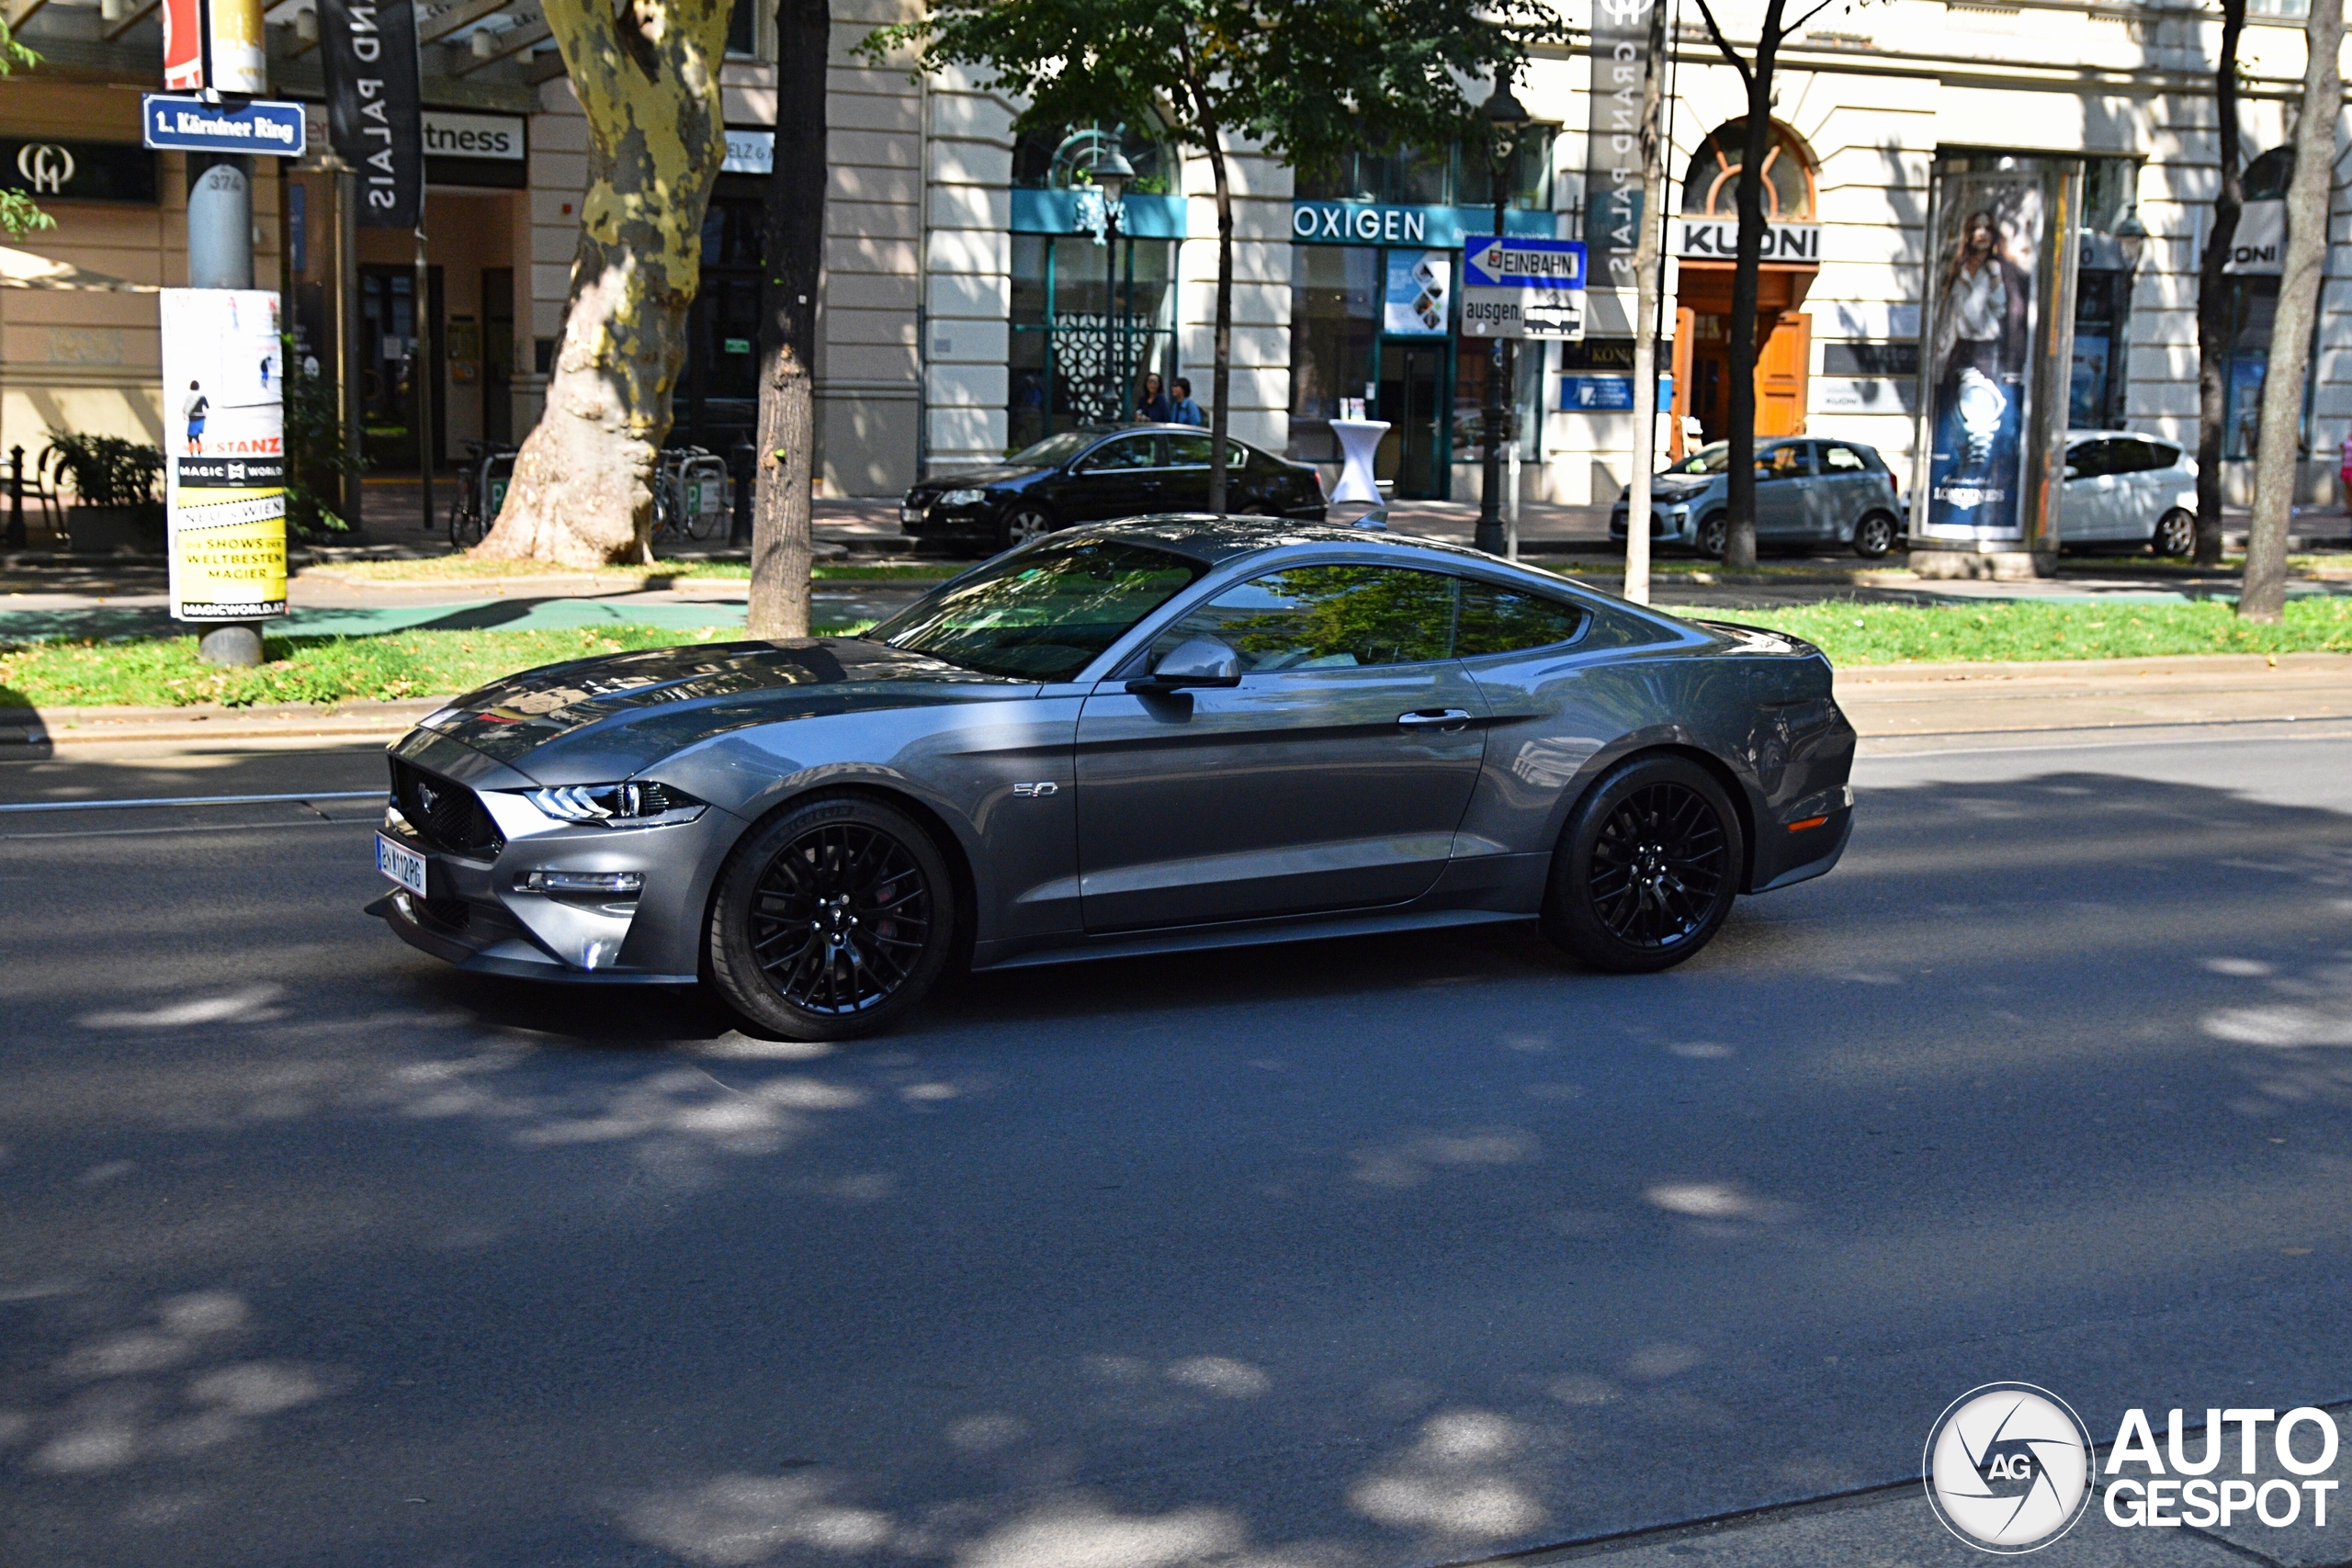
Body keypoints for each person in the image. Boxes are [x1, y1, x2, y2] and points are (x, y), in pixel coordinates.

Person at [182, 380, 209, 455]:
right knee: (196, 437)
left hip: (193, 418)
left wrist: (184, 415)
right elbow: (207, 406)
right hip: (200, 418)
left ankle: (192, 453)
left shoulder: (189, 397)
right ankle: (199, 453)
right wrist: (205, 414)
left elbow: (185, 407)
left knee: (190, 437)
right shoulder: (201, 396)